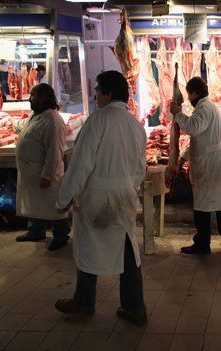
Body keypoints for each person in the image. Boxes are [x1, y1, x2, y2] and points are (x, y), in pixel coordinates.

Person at [54, 71, 148, 326]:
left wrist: (65, 197)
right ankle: (135, 306)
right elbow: (141, 167)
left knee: (88, 247)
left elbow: (81, 165)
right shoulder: (135, 125)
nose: (95, 95)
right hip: (125, 193)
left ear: (107, 93)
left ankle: (84, 301)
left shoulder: (97, 121)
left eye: (97, 90)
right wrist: (129, 187)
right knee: (127, 248)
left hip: (98, 194)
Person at [170, 77, 221, 255]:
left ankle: (202, 244)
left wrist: (178, 113)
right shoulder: (207, 107)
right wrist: (183, 157)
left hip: (211, 164)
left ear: (194, 93)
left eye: (188, 94)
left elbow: (193, 128)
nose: (188, 99)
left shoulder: (204, 108)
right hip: (213, 161)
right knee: (219, 206)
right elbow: (199, 138)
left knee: (203, 206)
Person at [14, 83, 70, 251]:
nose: (30, 99)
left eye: (34, 96)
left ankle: (61, 235)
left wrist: (47, 175)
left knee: (54, 205)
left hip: (45, 173)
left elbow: (55, 152)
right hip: (32, 171)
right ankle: (35, 231)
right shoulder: (37, 115)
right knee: (35, 203)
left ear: (44, 98)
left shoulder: (53, 120)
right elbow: (23, 126)